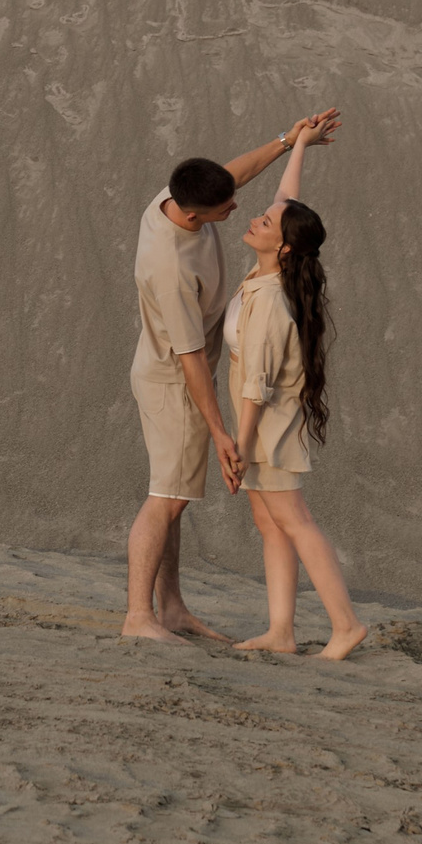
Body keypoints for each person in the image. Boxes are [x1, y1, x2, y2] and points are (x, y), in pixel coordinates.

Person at [124, 110, 340, 643]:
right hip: (174, 381)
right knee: (167, 498)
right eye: (230, 208)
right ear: (197, 218)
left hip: (188, 373)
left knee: (174, 492)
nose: (242, 207)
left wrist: (290, 140)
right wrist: (223, 434)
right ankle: (138, 617)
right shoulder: (169, 268)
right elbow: (191, 359)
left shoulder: (175, 197)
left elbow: (237, 178)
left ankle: (171, 609)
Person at [223, 112, 368, 660]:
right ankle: (281, 630)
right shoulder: (272, 269)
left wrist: (237, 445)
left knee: (296, 522)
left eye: (266, 223)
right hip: (265, 425)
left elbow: (256, 386)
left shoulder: (271, 301)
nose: (258, 220)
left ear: (283, 248)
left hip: (267, 427)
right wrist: (299, 144)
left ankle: (346, 624)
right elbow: (285, 202)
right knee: (270, 523)